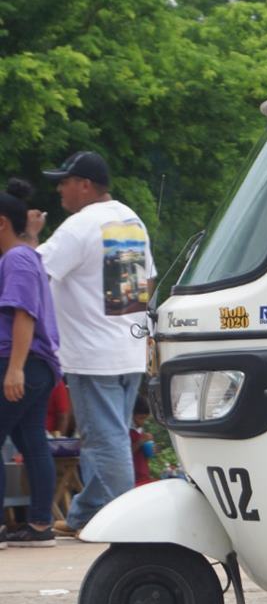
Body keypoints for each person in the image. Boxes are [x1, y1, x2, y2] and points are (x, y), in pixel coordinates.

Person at [31, 151, 155, 537]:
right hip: (129, 348)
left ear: (85, 185)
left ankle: (131, 524)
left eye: (65, 181)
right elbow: (146, 283)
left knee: (106, 440)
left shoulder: (79, 226)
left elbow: (33, 271)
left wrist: (30, 237)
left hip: (92, 353)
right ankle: (85, 514)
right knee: (112, 434)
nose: (59, 189)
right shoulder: (131, 219)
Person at [0, 179, 62, 547]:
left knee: (29, 441)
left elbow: (24, 314)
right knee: (31, 440)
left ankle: (38, 523)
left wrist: (15, 368)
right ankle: (39, 525)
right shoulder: (24, 255)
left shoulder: (17, 259)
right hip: (34, 363)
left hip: (20, 360)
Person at [130, 395, 155, 487]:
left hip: (143, 476)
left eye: (145, 418)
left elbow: (144, 455)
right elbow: (125, 453)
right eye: (140, 418)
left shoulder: (139, 431)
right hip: (133, 478)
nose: (142, 422)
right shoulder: (126, 433)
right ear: (131, 415)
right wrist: (140, 442)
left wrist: (151, 449)